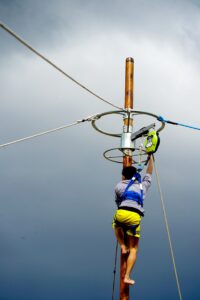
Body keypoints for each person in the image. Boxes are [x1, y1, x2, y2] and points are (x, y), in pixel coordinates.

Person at [112, 155, 153, 285]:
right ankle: (127, 276)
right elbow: (149, 173)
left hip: (121, 212)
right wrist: (150, 158)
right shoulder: (142, 186)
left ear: (123, 176)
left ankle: (123, 246)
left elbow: (118, 202)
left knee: (116, 224)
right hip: (134, 216)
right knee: (134, 249)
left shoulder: (118, 186)